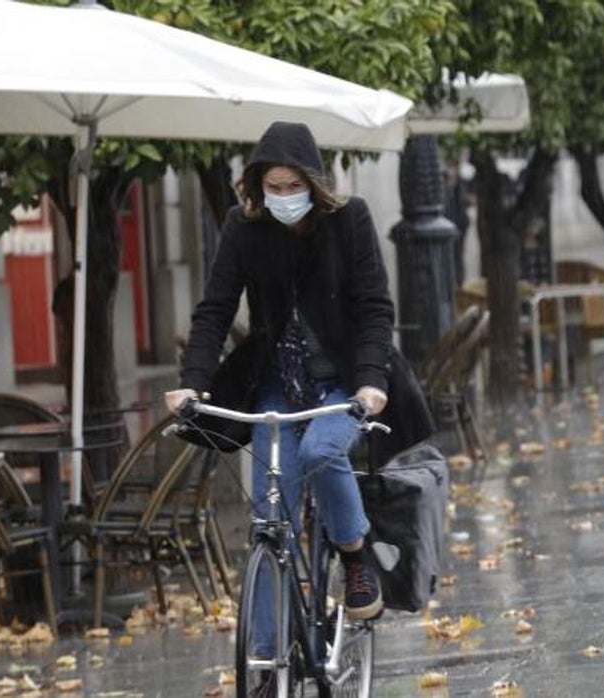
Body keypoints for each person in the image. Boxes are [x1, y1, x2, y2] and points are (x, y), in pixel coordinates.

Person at [165, 123, 392, 645]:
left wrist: (371, 382)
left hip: (342, 384)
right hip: (276, 388)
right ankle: (266, 665)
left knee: (321, 451)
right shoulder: (243, 228)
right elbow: (215, 310)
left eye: (294, 186)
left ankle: (355, 555)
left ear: (314, 184)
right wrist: (192, 383)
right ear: (258, 185)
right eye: (274, 187)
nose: (284, 196)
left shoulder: (349, 220)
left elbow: (375, 308)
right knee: (269, 519)